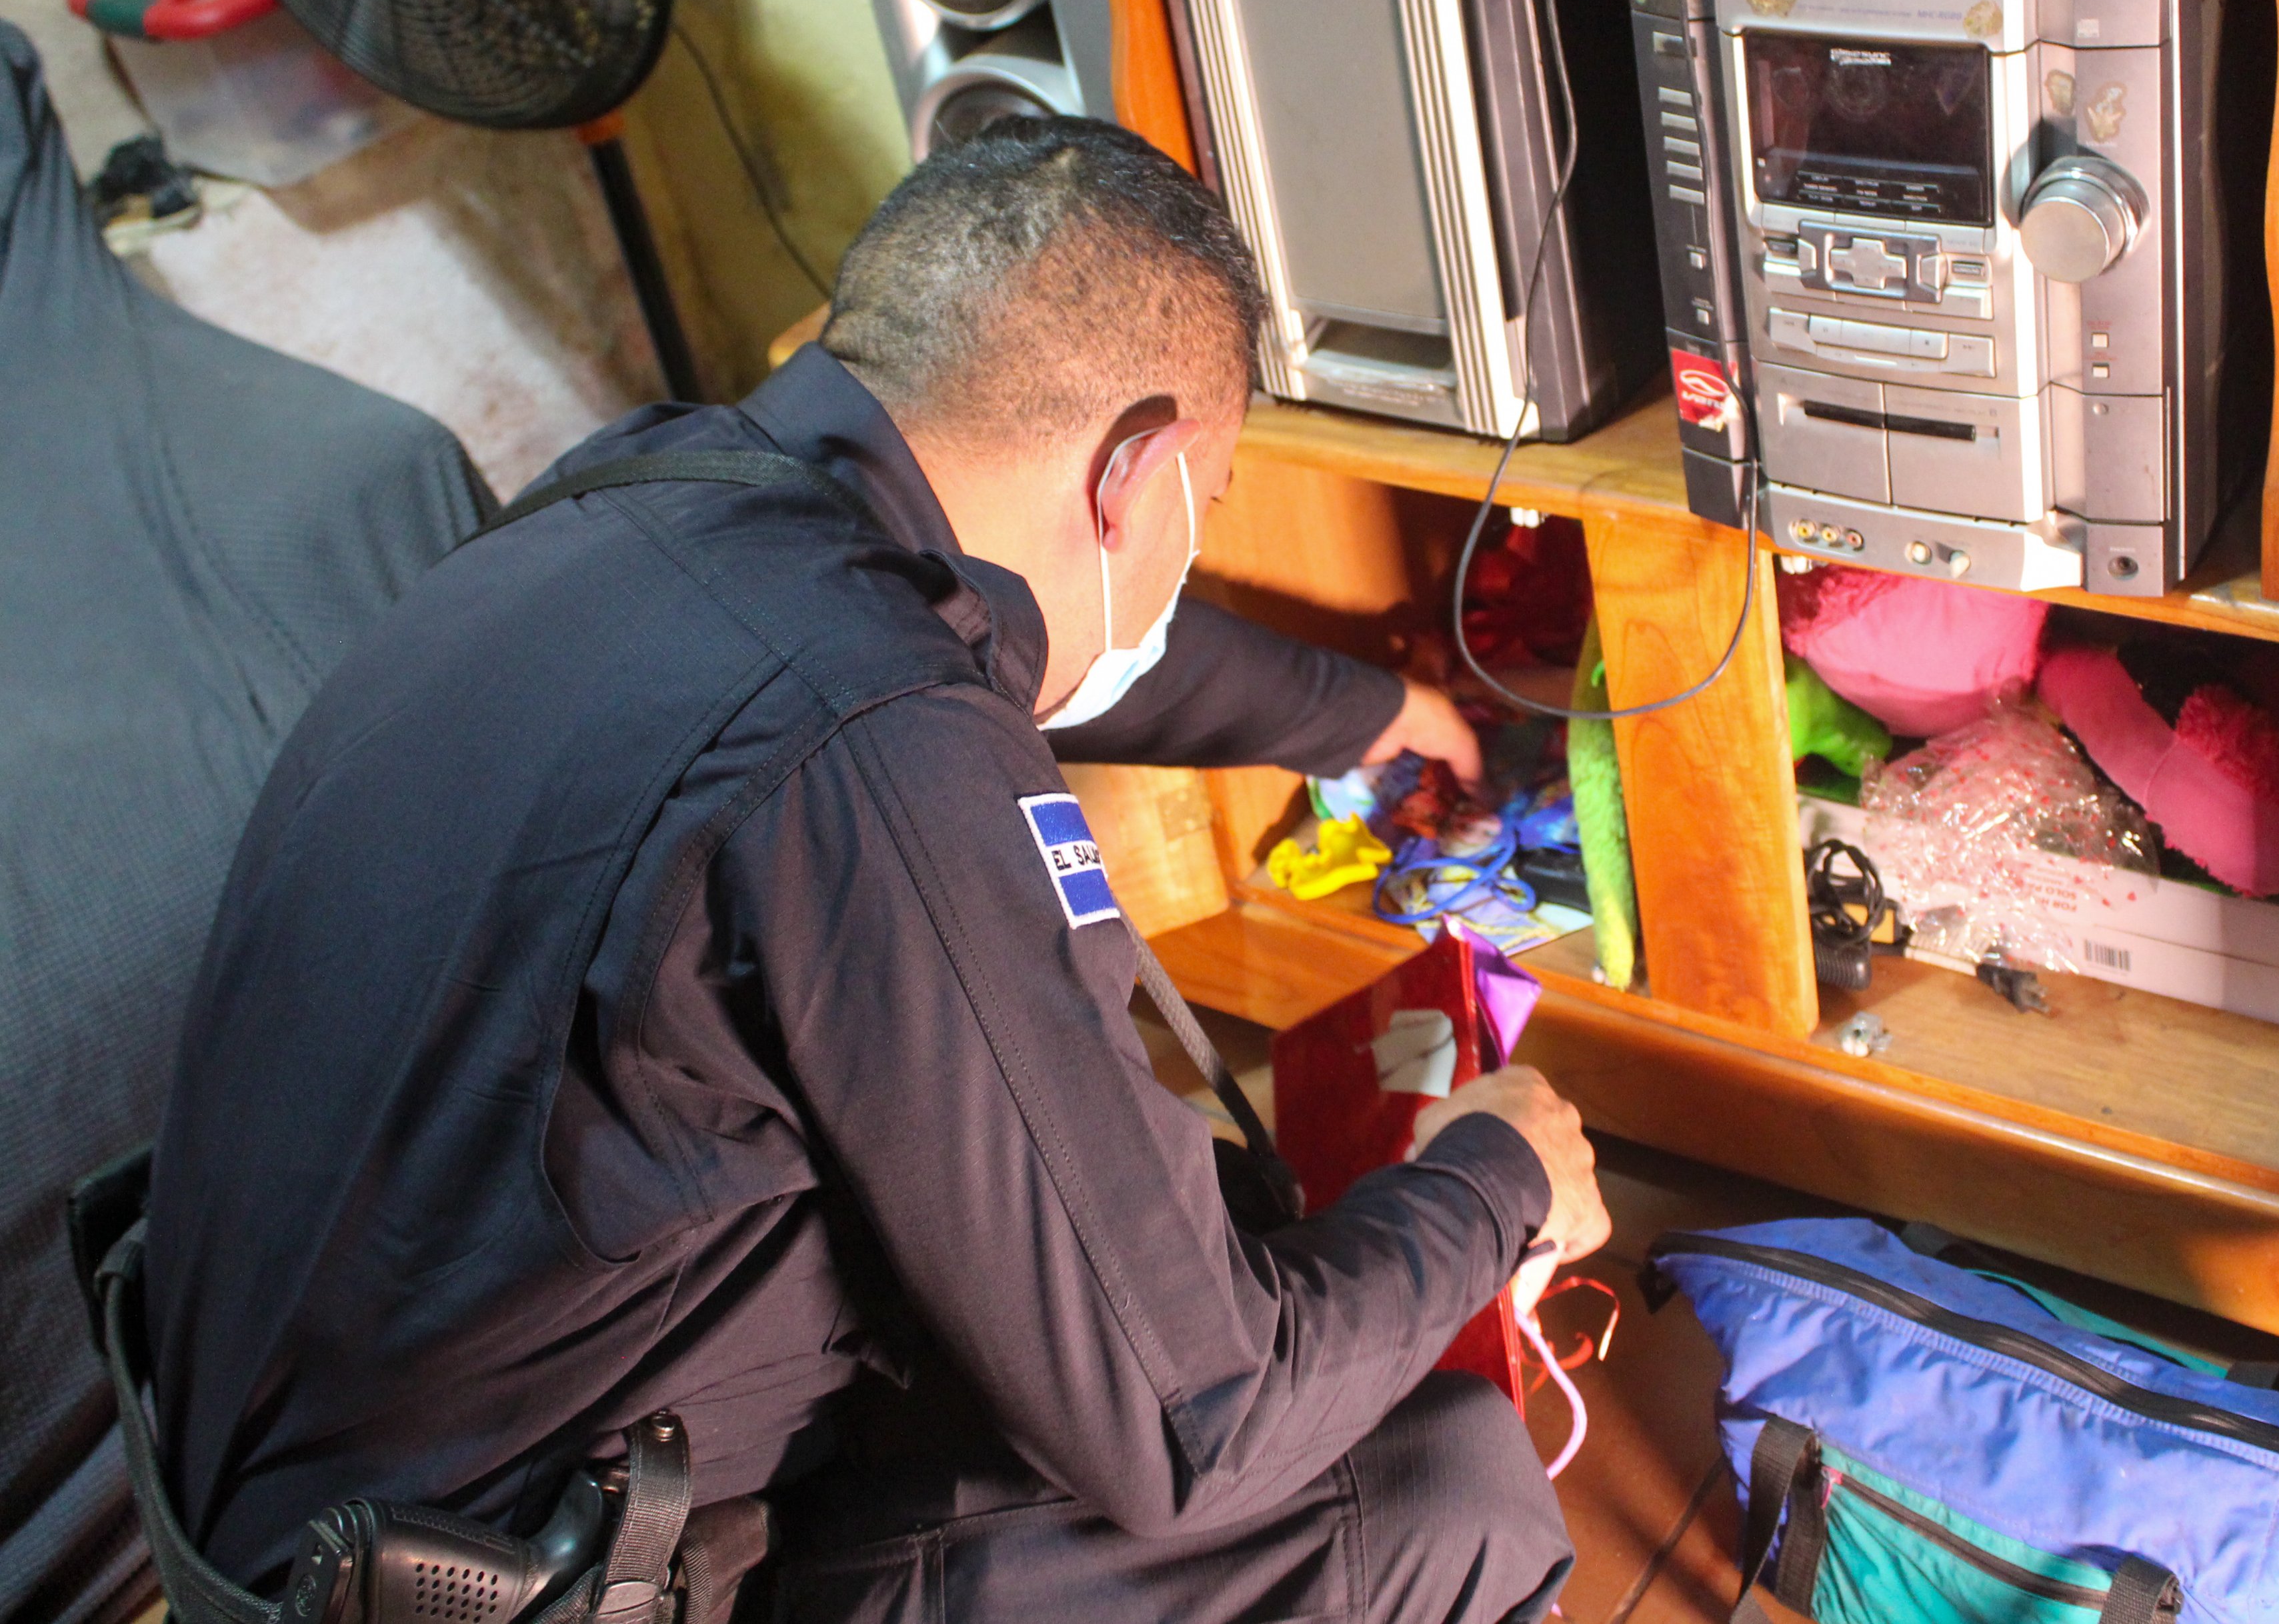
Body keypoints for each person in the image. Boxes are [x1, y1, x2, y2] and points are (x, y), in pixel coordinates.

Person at [141, 116, 1610, 1624]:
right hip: (513, 1587)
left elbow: (1003, 648)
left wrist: (1365, 716)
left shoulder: (645, 493)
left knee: (1201, 1223)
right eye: (1213, 499)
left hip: (293, 1510)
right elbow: (1201, 1420)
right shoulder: (877, 737)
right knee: (1440, 1492)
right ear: (1139, 475)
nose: (1190, 551)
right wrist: (1492, 1182)